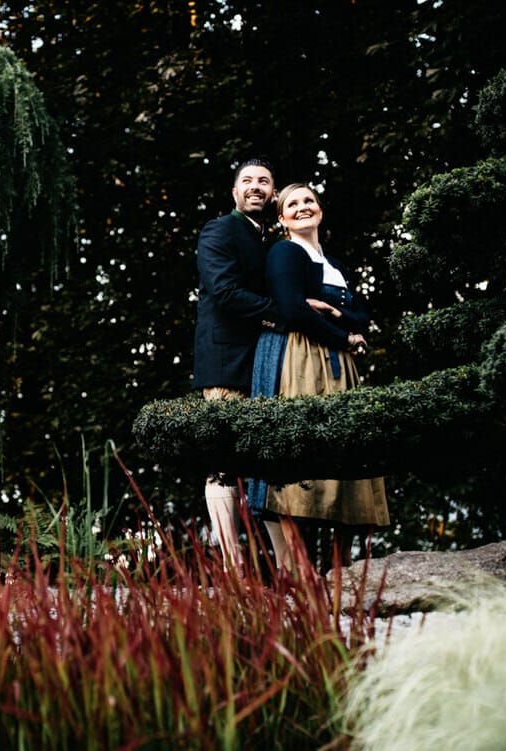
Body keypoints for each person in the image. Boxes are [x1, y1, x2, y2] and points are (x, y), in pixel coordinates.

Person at [247, 183, 389, 572]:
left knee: (346, 453)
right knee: (300, 453)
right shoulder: (285, 252)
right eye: (292, 204)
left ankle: (340, 572)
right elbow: (293, 310)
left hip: (339, 363)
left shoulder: (335, 264)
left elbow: (363, 316)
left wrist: (338, 314)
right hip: (300, 357)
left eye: (308, 200)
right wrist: (345, 336)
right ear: (282, 218)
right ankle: (297, 569)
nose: (302, 207)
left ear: (320, 210)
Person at [193, 158, 286, 569]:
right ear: (234, 192)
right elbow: (225, 291)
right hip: (226, 360)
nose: (255, 186)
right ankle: (232, 568)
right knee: (225, 463)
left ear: (273, 193)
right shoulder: (219, 230)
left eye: (264, 181)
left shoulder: (271, 240)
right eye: (247, 181)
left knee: (268, 461)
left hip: (266, 360)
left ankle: (286, 568)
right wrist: (283, 314)